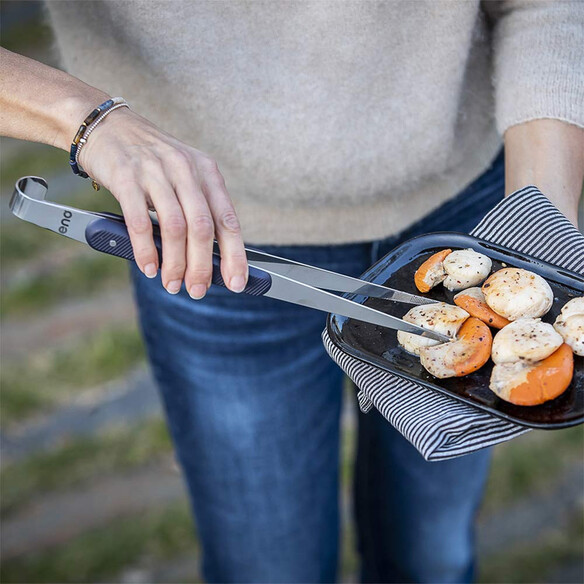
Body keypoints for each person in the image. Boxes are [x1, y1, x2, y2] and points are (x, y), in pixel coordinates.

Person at [1, 2, 582, 582]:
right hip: (215, 246)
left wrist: (534, 242)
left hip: (465, 230)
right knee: (268, 567)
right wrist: (82, 118)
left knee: (432, 558)